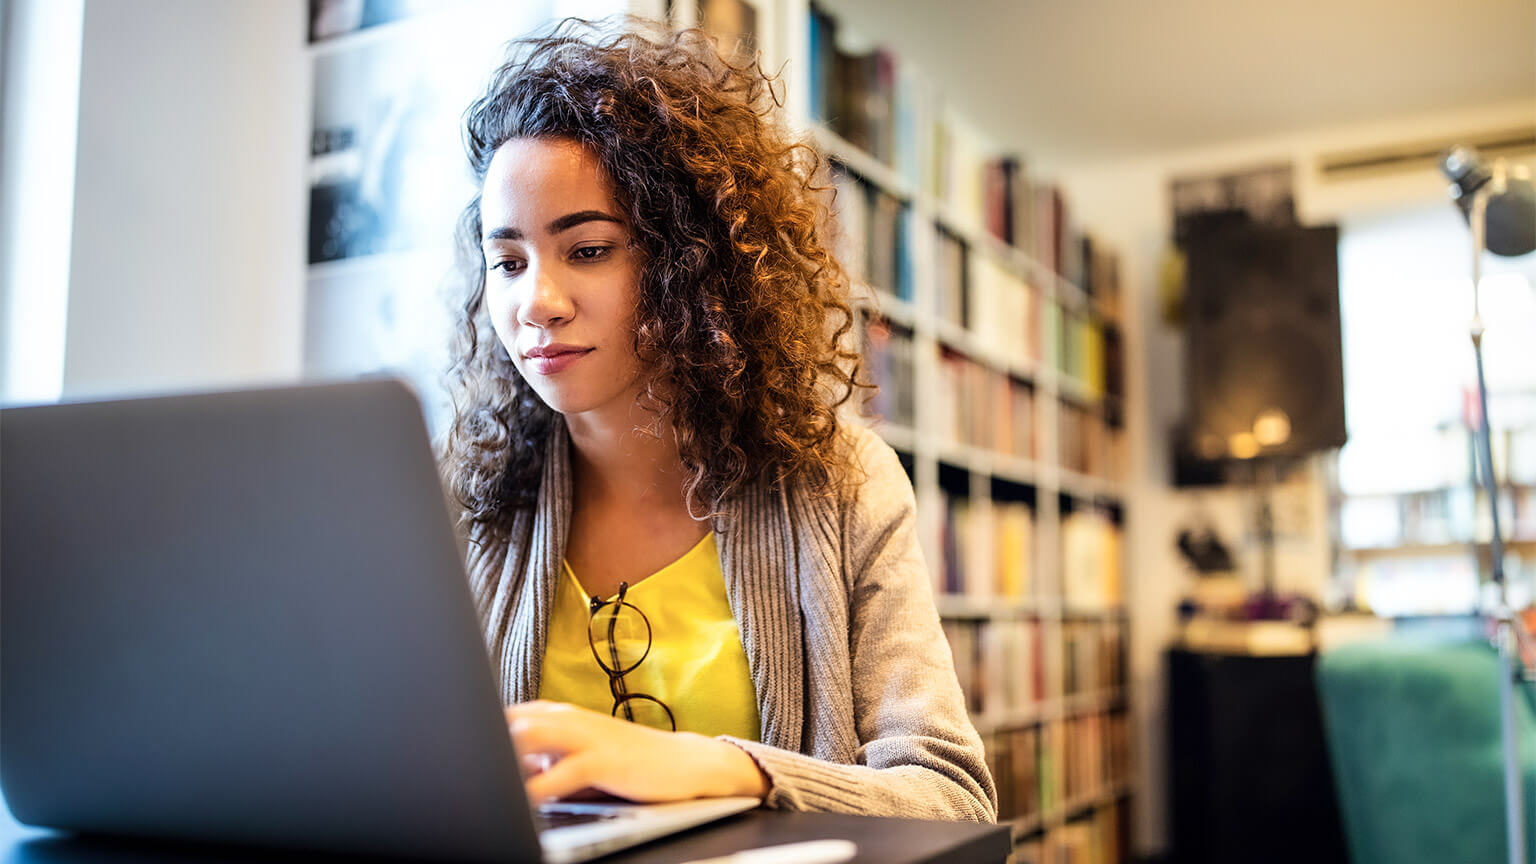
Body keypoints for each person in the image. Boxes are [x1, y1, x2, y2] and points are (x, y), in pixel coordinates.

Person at [441, 17, 995, 822]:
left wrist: (722, 771)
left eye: (588, 249)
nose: (536, 304)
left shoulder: (842, 482)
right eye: (509, 262)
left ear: (688, 259)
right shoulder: (462, 499)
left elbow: (952, 797)